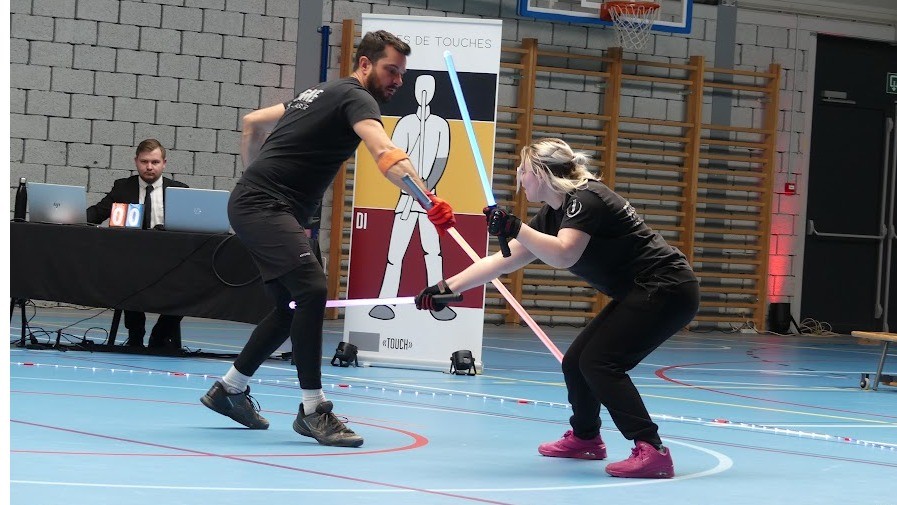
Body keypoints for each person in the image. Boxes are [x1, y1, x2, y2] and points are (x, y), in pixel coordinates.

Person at [200, 30, 456, 447]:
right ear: (365, 64)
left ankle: (229, 389)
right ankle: (313, 410)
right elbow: (385, 153)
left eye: (401, 74)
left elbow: (252, 123)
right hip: (265, 207)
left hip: (261, 204)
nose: (398, 81)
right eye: (391, 70)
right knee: (312, 290)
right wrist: (428, 199)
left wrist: (255, 178)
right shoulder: (358, 98)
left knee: (289, 307)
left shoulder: (319, 92)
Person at [415, 138, 699, 478]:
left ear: (540, 173)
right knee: (576, 362)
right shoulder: (555, 211)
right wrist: (447, 287)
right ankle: (586, 438)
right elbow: (505, 260)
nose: (519, 177)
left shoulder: (586, 200)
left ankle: (652, 450)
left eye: (523, 170)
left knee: (600, 362)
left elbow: (564, 254)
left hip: (666, 288)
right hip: (644, 290)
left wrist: (515, 226)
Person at [86, 138, 188, 349]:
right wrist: (70, 216)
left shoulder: (180, 190)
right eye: (144, 162)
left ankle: (160, 335)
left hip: (169, 262)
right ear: (136, 162)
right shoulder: (123, 187)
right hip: (131, 261)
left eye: (155, 162)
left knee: (191, 283)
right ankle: (135, 335)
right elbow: (98, 212)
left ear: (164, 163)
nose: (149, 167)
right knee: (126, 275)